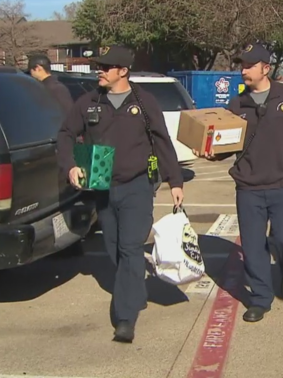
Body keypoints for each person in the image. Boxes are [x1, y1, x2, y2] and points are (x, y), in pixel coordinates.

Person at [194, 43, 283, 322]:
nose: (243, 70)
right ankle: (260, 298)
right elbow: (227, 145)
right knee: (254, 246)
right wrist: (210, 154)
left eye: (248, 65)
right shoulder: (237, 104)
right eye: (241, 65)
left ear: (265, 68)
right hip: (249, 188)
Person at [56, 45, 184, 343]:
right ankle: (135, 289)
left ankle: (125, 318)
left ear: (123, 71)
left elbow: (163, 142)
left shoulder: (144, 102)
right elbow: (64, 134)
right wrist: (70, 166)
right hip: (102, 186)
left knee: (130, 247)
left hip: (138, 186)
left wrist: (174, 180)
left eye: (106, 66)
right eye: (99, 66)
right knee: (113, 247)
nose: (98, 71)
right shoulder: (88, 102)